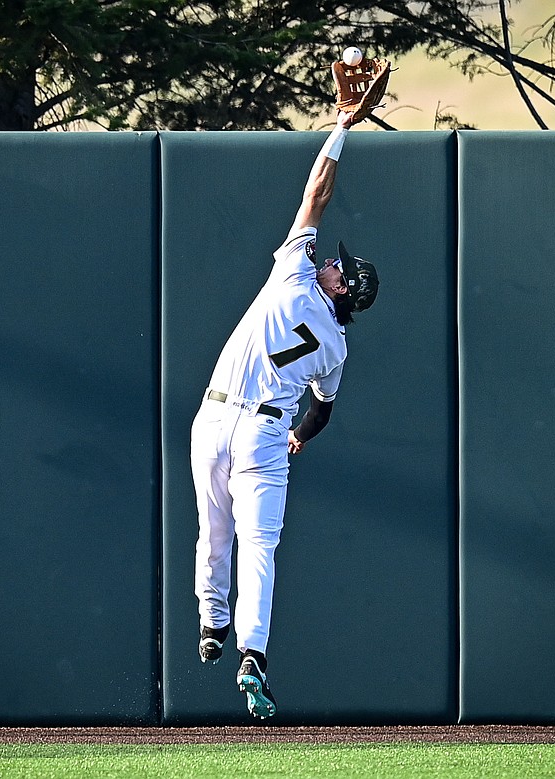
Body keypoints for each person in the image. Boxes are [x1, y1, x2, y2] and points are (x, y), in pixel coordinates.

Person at [190, 107, 380, 719]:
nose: (332, 261)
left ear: (341, 288)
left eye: (340, 268)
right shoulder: (338, 346)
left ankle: (210, 625)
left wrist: (346, 122)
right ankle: (252, 653)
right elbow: (322, 411)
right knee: (260, 548)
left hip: (215, 419)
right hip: (267, 433)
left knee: (213, 532)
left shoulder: (294, 276)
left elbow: (316, 190)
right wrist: (298, 435)